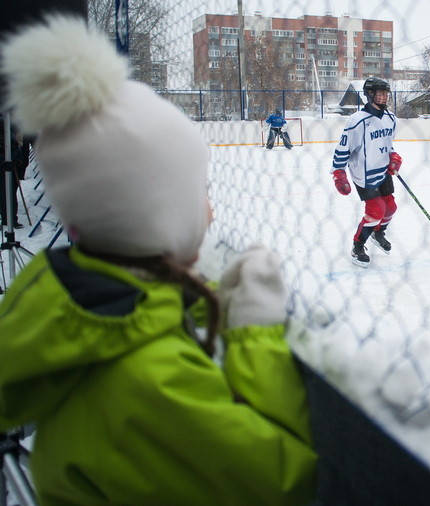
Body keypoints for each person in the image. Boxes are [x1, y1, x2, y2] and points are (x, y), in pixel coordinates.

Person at [0, 16, 316, 505]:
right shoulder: (148, 377)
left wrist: (190, 302)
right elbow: (280, 479)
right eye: (199, 194)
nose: (210, 209)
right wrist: (255, 335)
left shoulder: (83, 315)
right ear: (156, 220)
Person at [331, 77, 402, 267]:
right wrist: (339, 173)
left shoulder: (390, 118)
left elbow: (387, 145)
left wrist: (393, 157)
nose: (384, 97)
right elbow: (343, 148)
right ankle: (358, 246)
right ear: (369, 95)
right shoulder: (357, 120)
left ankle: (378, 233)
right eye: (379, 93)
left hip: (383, 170)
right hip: (364, 174)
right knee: (376, 211)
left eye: (385, 93)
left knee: (391, 208)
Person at [0, 123, 25, 229]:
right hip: (8, 158)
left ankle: (9, 219)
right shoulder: (9, 121)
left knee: (8, 191)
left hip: (9, 158)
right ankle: (10, 219)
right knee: (9, 191)